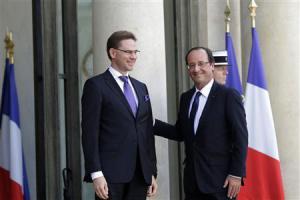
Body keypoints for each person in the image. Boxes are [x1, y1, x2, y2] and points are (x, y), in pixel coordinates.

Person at [154, 47, 248, 200]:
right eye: (191, 65)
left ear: (211, 65)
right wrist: (151, 123)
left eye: (201, 64)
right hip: (192, 184)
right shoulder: (186, 98)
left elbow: (240, 138)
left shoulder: (228, 96)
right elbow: (180, 133)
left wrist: (236, 174)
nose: (196, 69)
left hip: (221, 183)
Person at [81, 30, 157, 200]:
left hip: (139, 176)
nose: (133, 56)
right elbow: (89, 133)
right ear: (113, 53)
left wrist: (151, 171)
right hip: (109, 177)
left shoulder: (141, 87)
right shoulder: (96, 85)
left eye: (135, 52)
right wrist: (96, 173)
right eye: (128, 52)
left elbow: (146, 132)